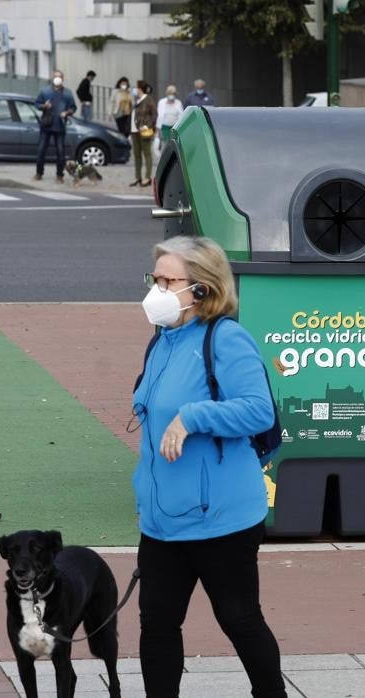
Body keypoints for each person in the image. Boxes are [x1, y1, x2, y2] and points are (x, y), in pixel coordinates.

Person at [132, 235, 286, 698]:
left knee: (239, 619)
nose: (156, 289)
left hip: (221, 517)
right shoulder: (162, 341)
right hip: (162, 520)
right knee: (157, 623)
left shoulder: (226, 338)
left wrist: (194, 415)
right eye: (154, 279)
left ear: (201, 288)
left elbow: (259, 410)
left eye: (168, 280)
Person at [33, 70, 76, 183]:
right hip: (46, 125)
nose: (58, 79)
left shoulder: (67, 93)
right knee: (41, 150)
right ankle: (39, 173)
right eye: (56, 77)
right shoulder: (45, 91)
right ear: (52, 78)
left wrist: (67, 113)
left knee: (60, 152)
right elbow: (37, 104)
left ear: (63, 79)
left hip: (60, 126)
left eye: (60, 77)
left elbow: (73, 107)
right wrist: (44, 106)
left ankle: (59, 175)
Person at [129, 80, 157, 187]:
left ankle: (147, 177)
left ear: (140, 88)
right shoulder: (137, 99)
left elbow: (154, 115)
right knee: (136, 155)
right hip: (134, 130)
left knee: (147, 154)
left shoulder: (148, 99)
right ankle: (137, 177)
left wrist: (147, 126)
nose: (135, 89)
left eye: (136, 87)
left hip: (144, 131)